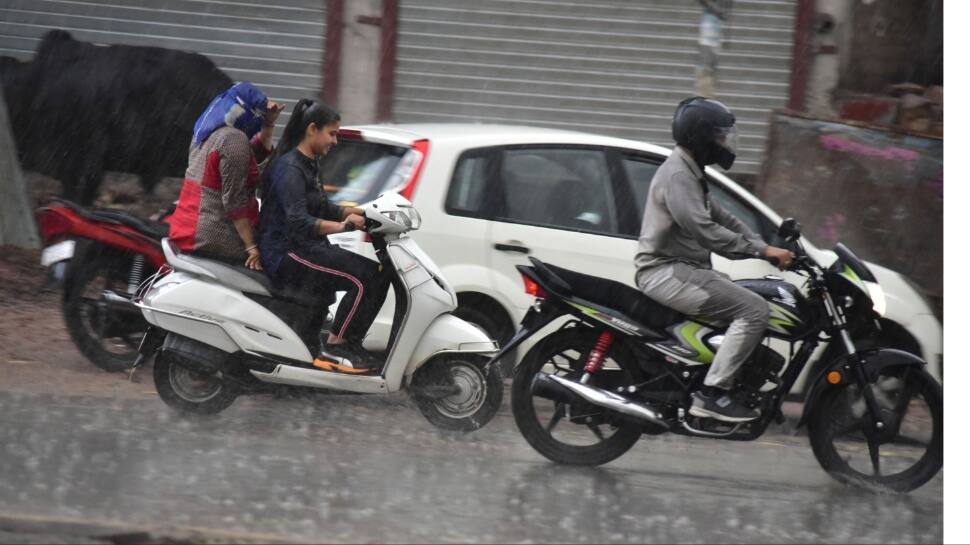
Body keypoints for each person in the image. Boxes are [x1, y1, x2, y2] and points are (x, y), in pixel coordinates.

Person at [634, 96, 793, 423]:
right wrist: (761, 252)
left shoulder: (690, 172)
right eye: (720, 136)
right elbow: (705, 230)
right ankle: (713, 394)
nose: (725, 143)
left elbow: (725, 218)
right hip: (666, 272)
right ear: (701, 136)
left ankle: (713, 378)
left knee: (746, 296)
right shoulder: (679, 176)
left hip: (683, 270)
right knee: (753, 309)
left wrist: (765, 244)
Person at [258, 99, 390, 374]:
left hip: (305, 246)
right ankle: (337, 346)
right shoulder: (290, 168)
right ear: (312, 129)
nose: (336, 141)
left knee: (380, 273)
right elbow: (298, 220)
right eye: (332, 133)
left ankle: (342, 343)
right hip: (287, 252)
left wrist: (357, 213)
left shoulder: (309, 164)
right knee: (366, 277)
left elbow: (321, 206)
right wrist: (345, 227)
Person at [168, 82, 284, 269]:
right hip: (214, 234)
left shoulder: (206, 131)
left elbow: (251, 157)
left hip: (189, 227)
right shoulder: (233, 139)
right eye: (258, 116)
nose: (259, 121)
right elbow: (234, 202)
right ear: (245, 111)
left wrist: (269, 123)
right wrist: (251, 246)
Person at [696, 0, 731, 97]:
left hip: (714, 22)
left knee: (711, 65)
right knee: (707, 66)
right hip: (710, 22)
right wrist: (718, 10)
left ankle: (707, 94)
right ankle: (704, 95)